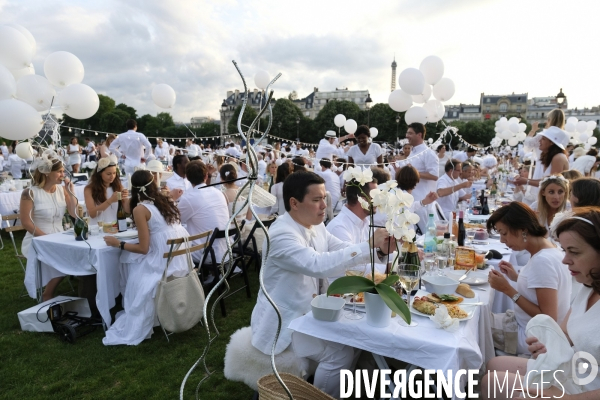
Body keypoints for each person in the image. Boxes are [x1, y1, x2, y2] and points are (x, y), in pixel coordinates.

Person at [250, 171, 395, 398]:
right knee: (340, 353)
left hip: (314, 314)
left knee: (355, 337)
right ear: (294, 203)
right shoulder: (280, 234)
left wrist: (379, 249)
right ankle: (321, 396)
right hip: (285, 323)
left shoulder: (315, 224)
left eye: (325, 198)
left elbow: (339, 247)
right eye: (316, 200)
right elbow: (318, 264)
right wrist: (368, 247)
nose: (323, 206)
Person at [482, 207, 600, 399]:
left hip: (581, 389)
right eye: (564, 250)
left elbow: (549, 315)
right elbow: (563, 333)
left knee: (490, 380)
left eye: (575, 252)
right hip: (568, 369)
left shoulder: (543, 261)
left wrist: (567, 398)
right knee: (493, 365)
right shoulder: (588, 286)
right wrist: (546, 347)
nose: (565, 260)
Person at [102, 170, 189, 346]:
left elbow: (143, 248)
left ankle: (115, 301)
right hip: (180, 261)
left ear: (133, 188)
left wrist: (117, 243)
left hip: (163, 264)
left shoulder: (141, 209)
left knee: (126, 262)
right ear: (153, 185)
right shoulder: (165, 200)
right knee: (128, 260)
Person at [486, 202, 571, 355]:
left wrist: (507, 289)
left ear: (523, 230)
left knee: (477, 326)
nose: (501, 240)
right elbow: (540, 289)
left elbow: (548, 317)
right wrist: (516, 277)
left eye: (504, 233)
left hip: (532, 337)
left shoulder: (542, 261)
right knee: (482, 316)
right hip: (526, 325)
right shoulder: (549, 248)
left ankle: (483, 372)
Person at [20, 153, 78, 301]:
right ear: (47, 173)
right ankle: (48, 294)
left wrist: (71, 192)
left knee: (77, 255)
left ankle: (51, 291)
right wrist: (47, 239)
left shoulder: (61, 190)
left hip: (59, 235)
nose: (62, 174)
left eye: (63, 171)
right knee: (64, 258)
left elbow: (73, 212)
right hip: (37, 238)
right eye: (59, 171)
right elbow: (26, 222)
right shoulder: (30, 192)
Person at [178, 160, 230, 264]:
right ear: (206, 176)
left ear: (187, 178)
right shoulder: (218, 192)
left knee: (170, 245)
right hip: (226, 250)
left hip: (207, 253)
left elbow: (174, 220)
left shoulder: (189, 198)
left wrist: (170, 198)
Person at [516, 110, 570, 189]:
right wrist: (525, 180)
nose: (539, 141)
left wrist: (533, 130)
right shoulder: (550, 154)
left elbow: (552, 183)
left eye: (543, 139)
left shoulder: (558, 157)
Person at [84, 155, 130, 226]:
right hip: (97, 227)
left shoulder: (118, 186)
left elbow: (127, 210)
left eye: (114, 173)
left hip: (115, 227)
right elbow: (92, 214)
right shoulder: (89, 189)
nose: (112, 176)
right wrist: (110, 200)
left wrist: (125, 199)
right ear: (100, 174)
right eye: (108, 174)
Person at [402, 123, 439, 204]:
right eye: (407, 133)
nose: (407, 136)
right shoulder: (412, 152)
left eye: (410, 133)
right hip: (411, 198)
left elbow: (434, 176)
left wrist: (413, 172)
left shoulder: (428, 153)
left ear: (419, 135)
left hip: (422, 199)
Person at [395, 165, 439, 233]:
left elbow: (410, 207)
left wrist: (424, 202)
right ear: (416, 182)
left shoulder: (396, 192)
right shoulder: (405, 197)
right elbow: (407, 229)